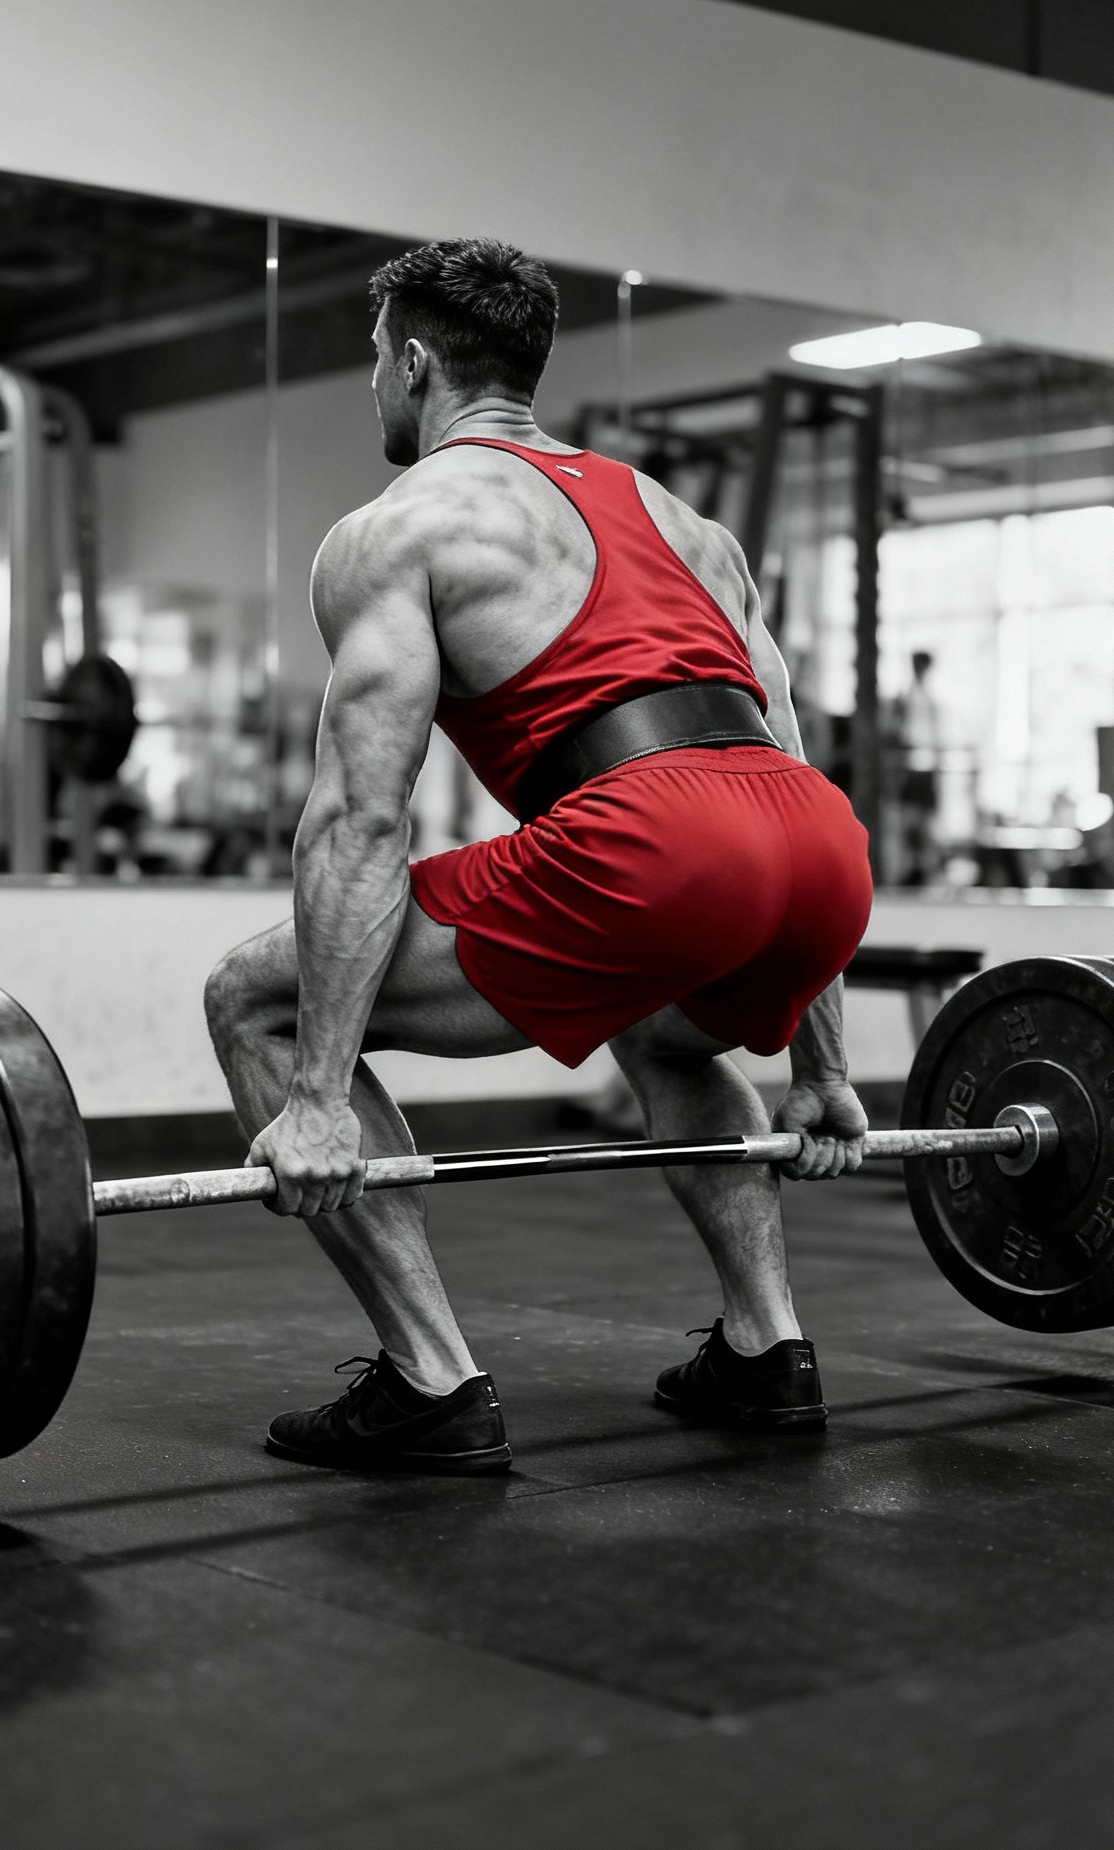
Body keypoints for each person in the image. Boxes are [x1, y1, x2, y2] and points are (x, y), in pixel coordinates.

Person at [204, 240, 875, 1475]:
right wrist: (823, 1072)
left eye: (374, 361)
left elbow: (361, 818)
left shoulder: (398, 528)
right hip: (820, 847)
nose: (373, 386)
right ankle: (766, 1346)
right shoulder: (688, 524)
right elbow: (777, 768)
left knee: (253, 996)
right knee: (666, 1030)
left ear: (414, 363)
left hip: (656, 839)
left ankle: (429, 1381)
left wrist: (319, 1098)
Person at [895, 649, 943, 886]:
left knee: (925, 823)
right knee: (911, 823)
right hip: (912, 768)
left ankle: (924, 869)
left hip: (925, 767)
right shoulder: (906, 697)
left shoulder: (927, 697)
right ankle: (912, 867)